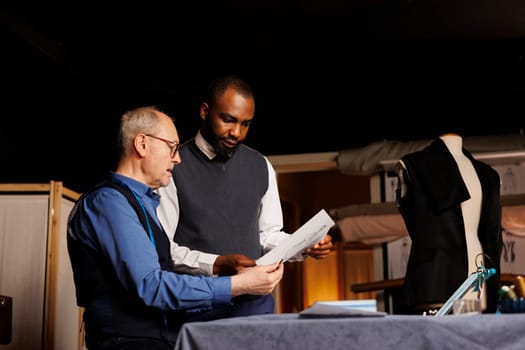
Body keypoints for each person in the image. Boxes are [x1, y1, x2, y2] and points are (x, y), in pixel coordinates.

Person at [66, 106, 284, 350]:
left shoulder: (143, 203)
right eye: (172, 147)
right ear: (142, 144)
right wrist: (238, 285)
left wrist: (221, 266)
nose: (177, 158)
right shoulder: (108, 203)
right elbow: (152, 285)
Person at [157, 75, 333, 319]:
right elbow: (165, 251)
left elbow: (268, 236)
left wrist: (306, 245)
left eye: (245, 124)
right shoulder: (173, 167)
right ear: (205, 111)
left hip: (255, 307)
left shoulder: (261, 166)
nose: (236, 132)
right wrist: (218, 263)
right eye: (228, 120)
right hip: (197, 307)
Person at [395, 133, 502, 314]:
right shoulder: (415, 164)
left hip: (481, 272)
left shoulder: (488, 175)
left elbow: (492, 233)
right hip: (436, 278)